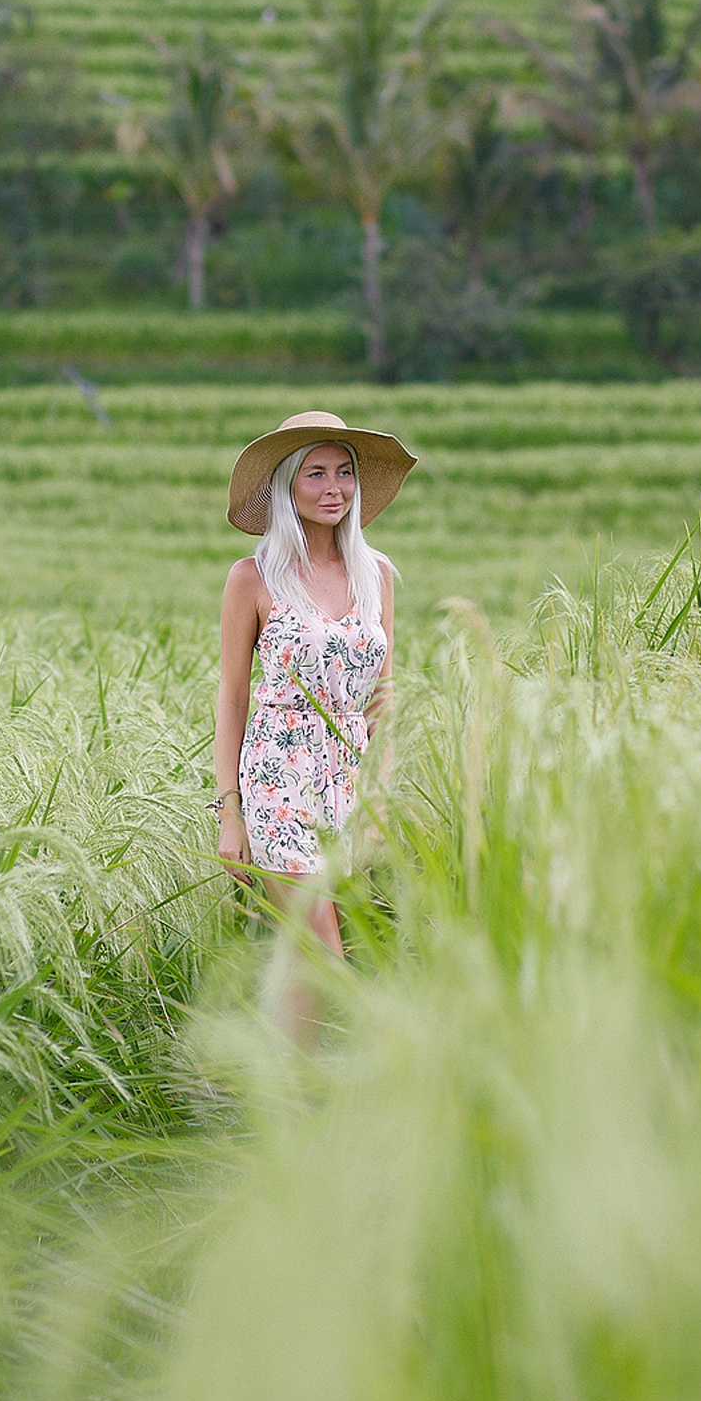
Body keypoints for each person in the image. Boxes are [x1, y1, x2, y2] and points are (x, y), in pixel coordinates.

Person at [210, 409, 418, 1049]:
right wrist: (229, 813)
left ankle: (287, 1100)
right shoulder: (253, 578)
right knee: (323, 947)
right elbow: (233, 693)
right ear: (286, 487)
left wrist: (378, 795)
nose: (335, 487)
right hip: (276, 781)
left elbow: (382, 692)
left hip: (347, 783)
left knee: (305, 951)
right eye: (316, 473)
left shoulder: (375, 574)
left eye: (345, 472)